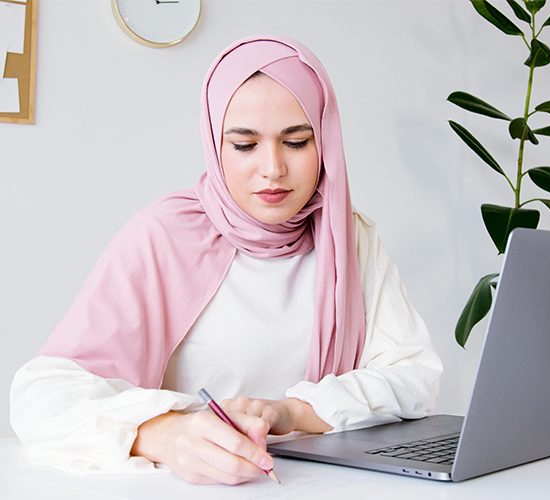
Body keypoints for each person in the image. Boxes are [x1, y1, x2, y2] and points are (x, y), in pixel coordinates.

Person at [10, 35, 443, 486]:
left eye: (296, 142)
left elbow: (415, 378)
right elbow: (41, 395)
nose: (272, 168)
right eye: (244, 145)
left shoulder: (349, 237)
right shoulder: (163, 236)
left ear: (326, 143)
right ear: (215, 145)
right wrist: (166, 433)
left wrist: (293, 412)